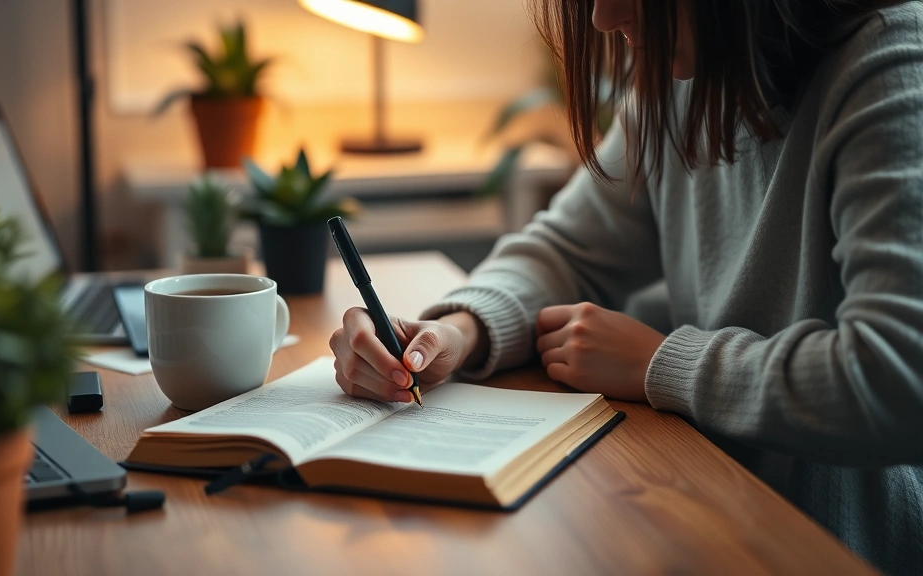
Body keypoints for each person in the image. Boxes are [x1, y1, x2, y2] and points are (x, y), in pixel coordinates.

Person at [328, 0, 923, 573]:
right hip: (706, 507)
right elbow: (567, 249)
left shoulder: (891, 65)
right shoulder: (685, 80)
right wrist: (458, 332)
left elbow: (898, 376)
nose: (603, 18)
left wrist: (661, 363)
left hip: (839, 544)